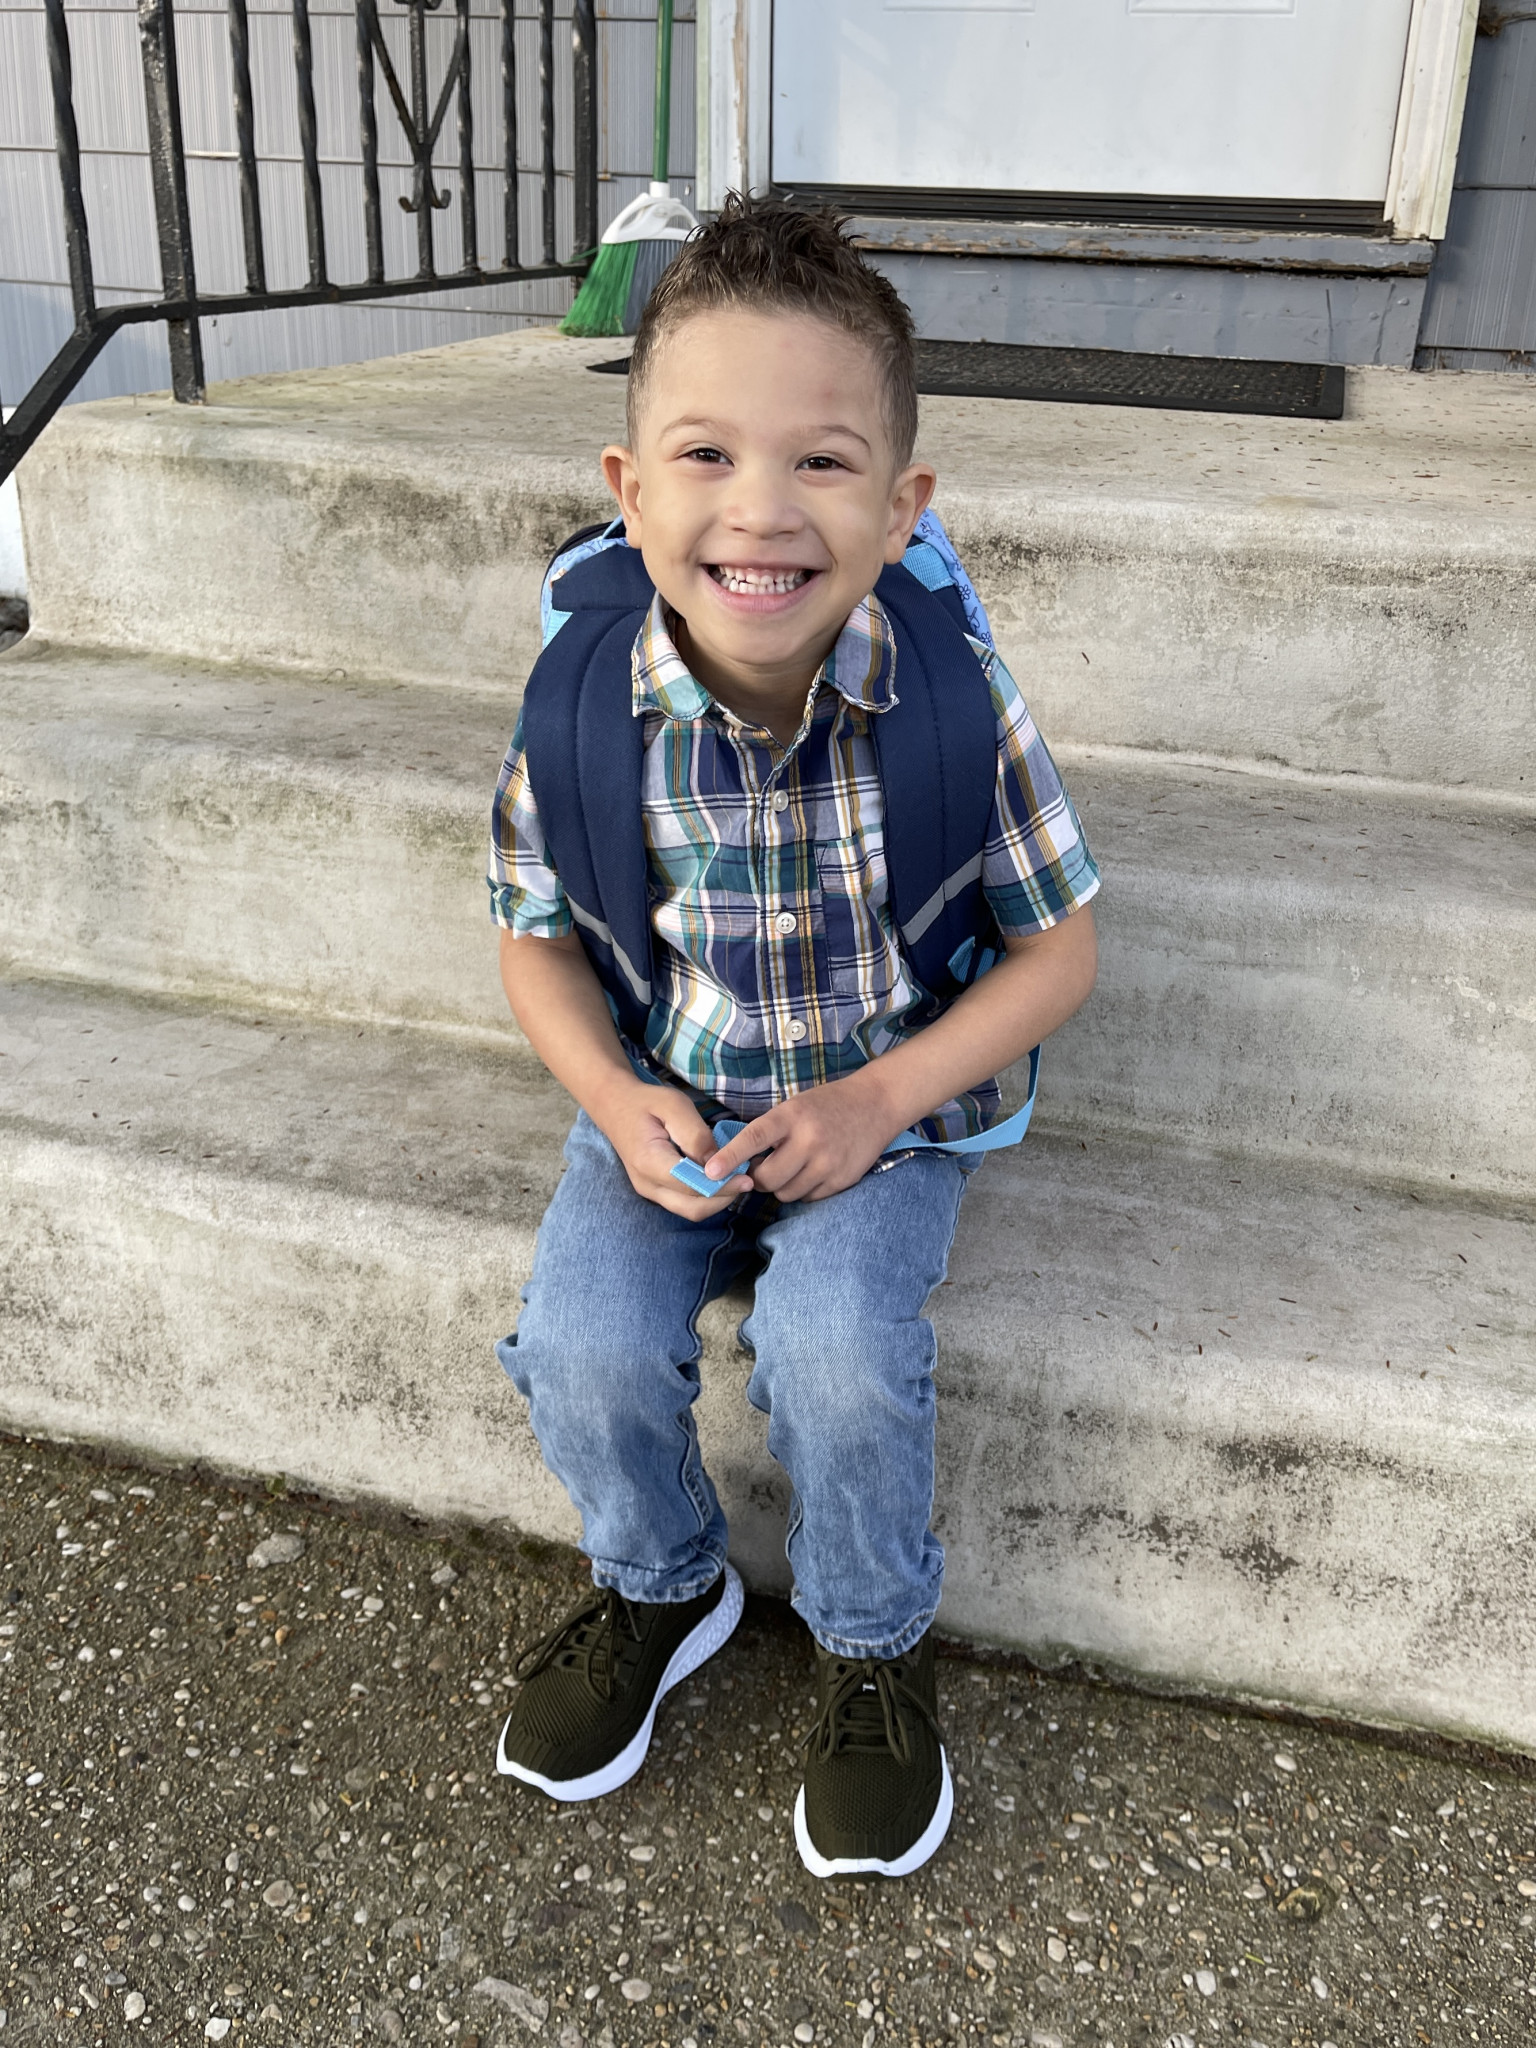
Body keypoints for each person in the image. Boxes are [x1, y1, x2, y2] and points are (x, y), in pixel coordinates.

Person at [486, 193, 1100, 1879]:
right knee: (583, 1342)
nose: (760, 509)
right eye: (706, 455)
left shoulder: (954, 703)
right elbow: (533, 941)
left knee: (832, 1350)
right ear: (629, 490)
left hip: (884, 1113)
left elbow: (1059, 948)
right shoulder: (583, 704)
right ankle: (660, 1581)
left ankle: (870, 1639)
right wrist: (612, 1096)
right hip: (668, 1100)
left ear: (902, 506)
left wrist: (885, 1096)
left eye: (822, 462)